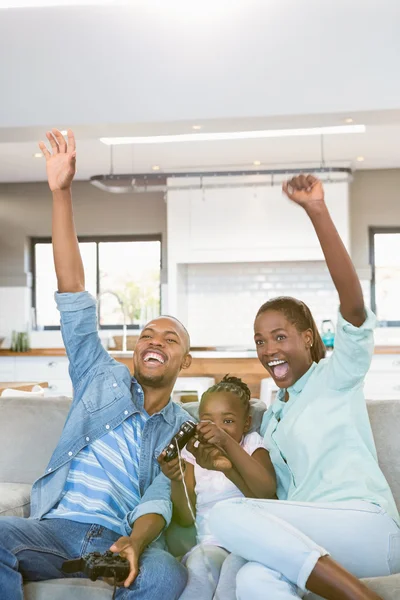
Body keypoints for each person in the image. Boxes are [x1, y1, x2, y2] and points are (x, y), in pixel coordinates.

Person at [0, 129, 192, 600]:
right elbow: (73, 295)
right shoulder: (98, 376)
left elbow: (165, 500)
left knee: (166, 576)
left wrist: (135, 542)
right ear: (134, 349)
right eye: (147, 333)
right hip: (56, 530)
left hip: (123, 539)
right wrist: (61, 192)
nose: (154, 340)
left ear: (184, 361)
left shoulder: (185, 426)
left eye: (170, 339)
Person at [208, 175, 400, 600]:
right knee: (249, 574)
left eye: (280, 336)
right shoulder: (273, 417)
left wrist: (317, 211)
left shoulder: (336, 377)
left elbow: (353, 306)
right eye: (260, 340)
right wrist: (225, 455)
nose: (269, 349)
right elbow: (267, 496)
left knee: (227, 517)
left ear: (308, 338)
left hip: (364, 526)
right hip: (308, 535)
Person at [159, 375, 276, 600]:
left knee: (232, 581)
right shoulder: (193, 454)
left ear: (247, 423)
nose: (217, 429)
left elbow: (266, 492)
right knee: (200, 576)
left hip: (250, 544)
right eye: (208, 421)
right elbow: (185, 518)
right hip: (212, 543)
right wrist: (176, 478)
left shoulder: (252, 444)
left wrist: (226, 442)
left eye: (228, 421)